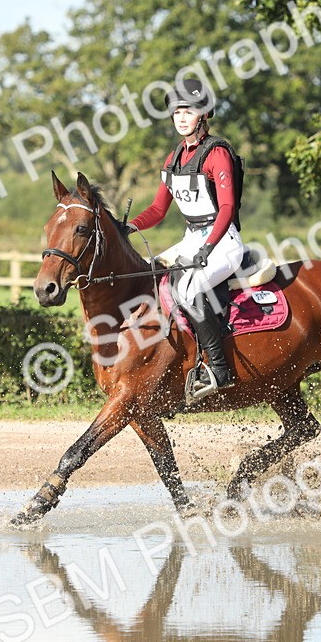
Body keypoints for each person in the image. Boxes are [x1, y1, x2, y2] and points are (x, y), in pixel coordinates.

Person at [125, 77, 245, 401]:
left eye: (187, 111)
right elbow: (157, 209)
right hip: (191, 238)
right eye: (176, 111)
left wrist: (209, 247)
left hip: (223, 241)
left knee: (188, 288)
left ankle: (219, 369)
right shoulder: (174, 157)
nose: (180, 117)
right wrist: (130, 227)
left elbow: (228, 207)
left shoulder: (216, 152)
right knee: (148, 273)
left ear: (203, 114)